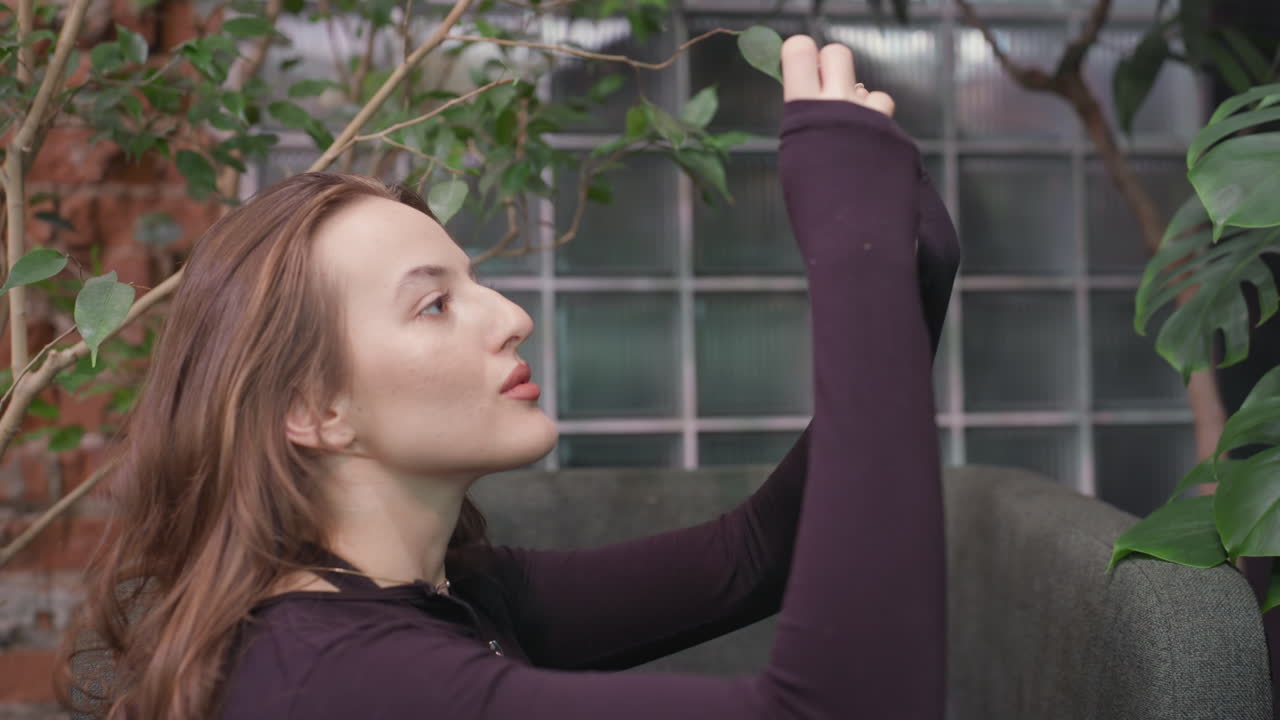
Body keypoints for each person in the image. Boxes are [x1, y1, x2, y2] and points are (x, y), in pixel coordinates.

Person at [58, 35, 961, 719]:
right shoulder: (339, 677)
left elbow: (753, 557)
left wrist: (904, 290)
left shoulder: (446, 597)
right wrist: (854, 254)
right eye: (434, 305)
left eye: (474, 281)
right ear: (314, 409)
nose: (512, 316)